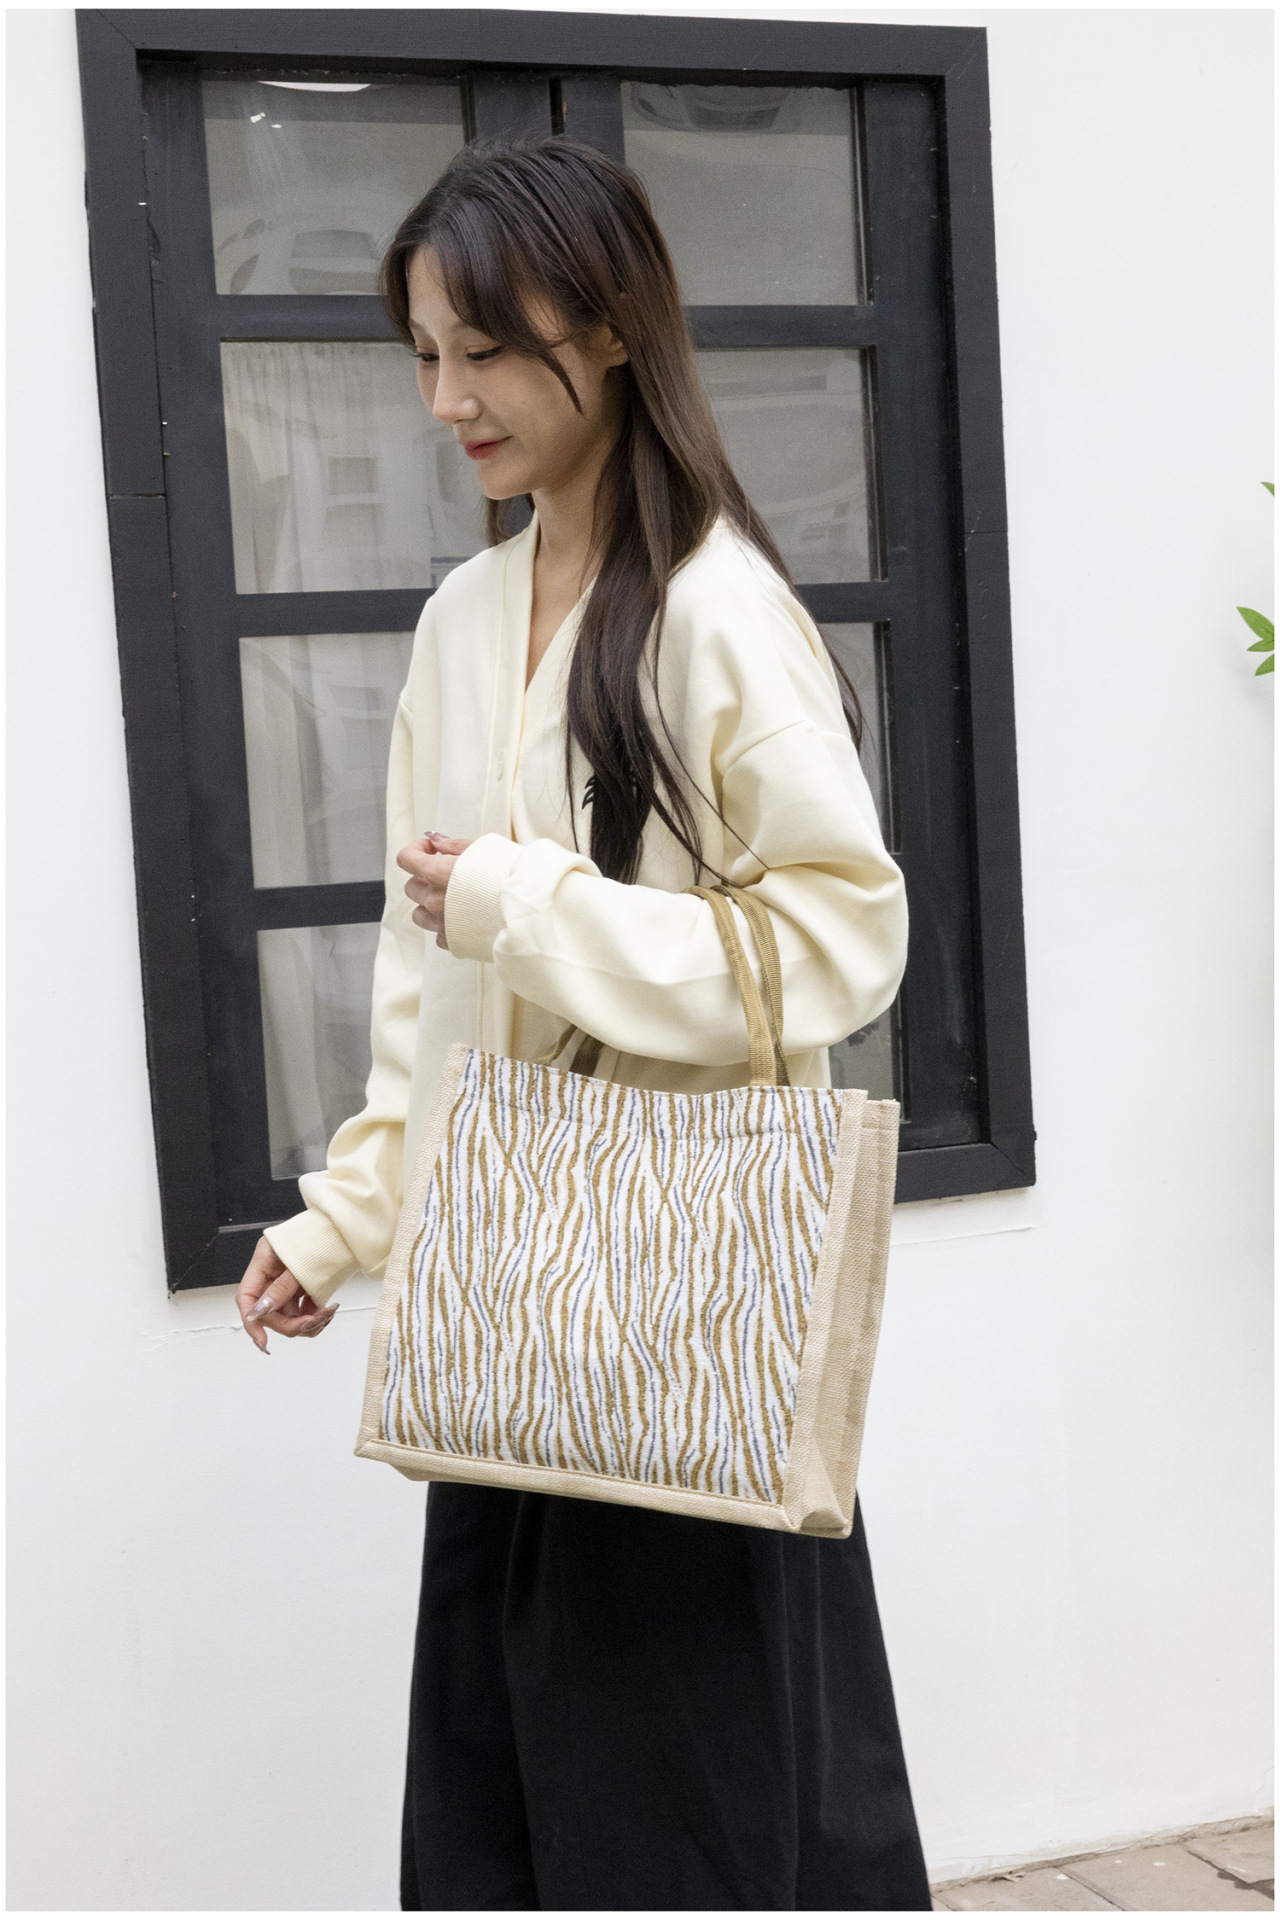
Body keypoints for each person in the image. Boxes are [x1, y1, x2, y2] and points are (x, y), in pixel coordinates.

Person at [236, 137, 930, 1912]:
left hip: (677, 1297)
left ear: (612, 330)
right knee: (515, 1816)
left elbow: (841, 940)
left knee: (680, 1813)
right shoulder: (463, 618)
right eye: (424, 353)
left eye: (487, 348)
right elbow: (429, 989)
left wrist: (527, 903)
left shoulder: (716, 609)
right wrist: (349, 1218)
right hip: (516, 1293)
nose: (446, 399)